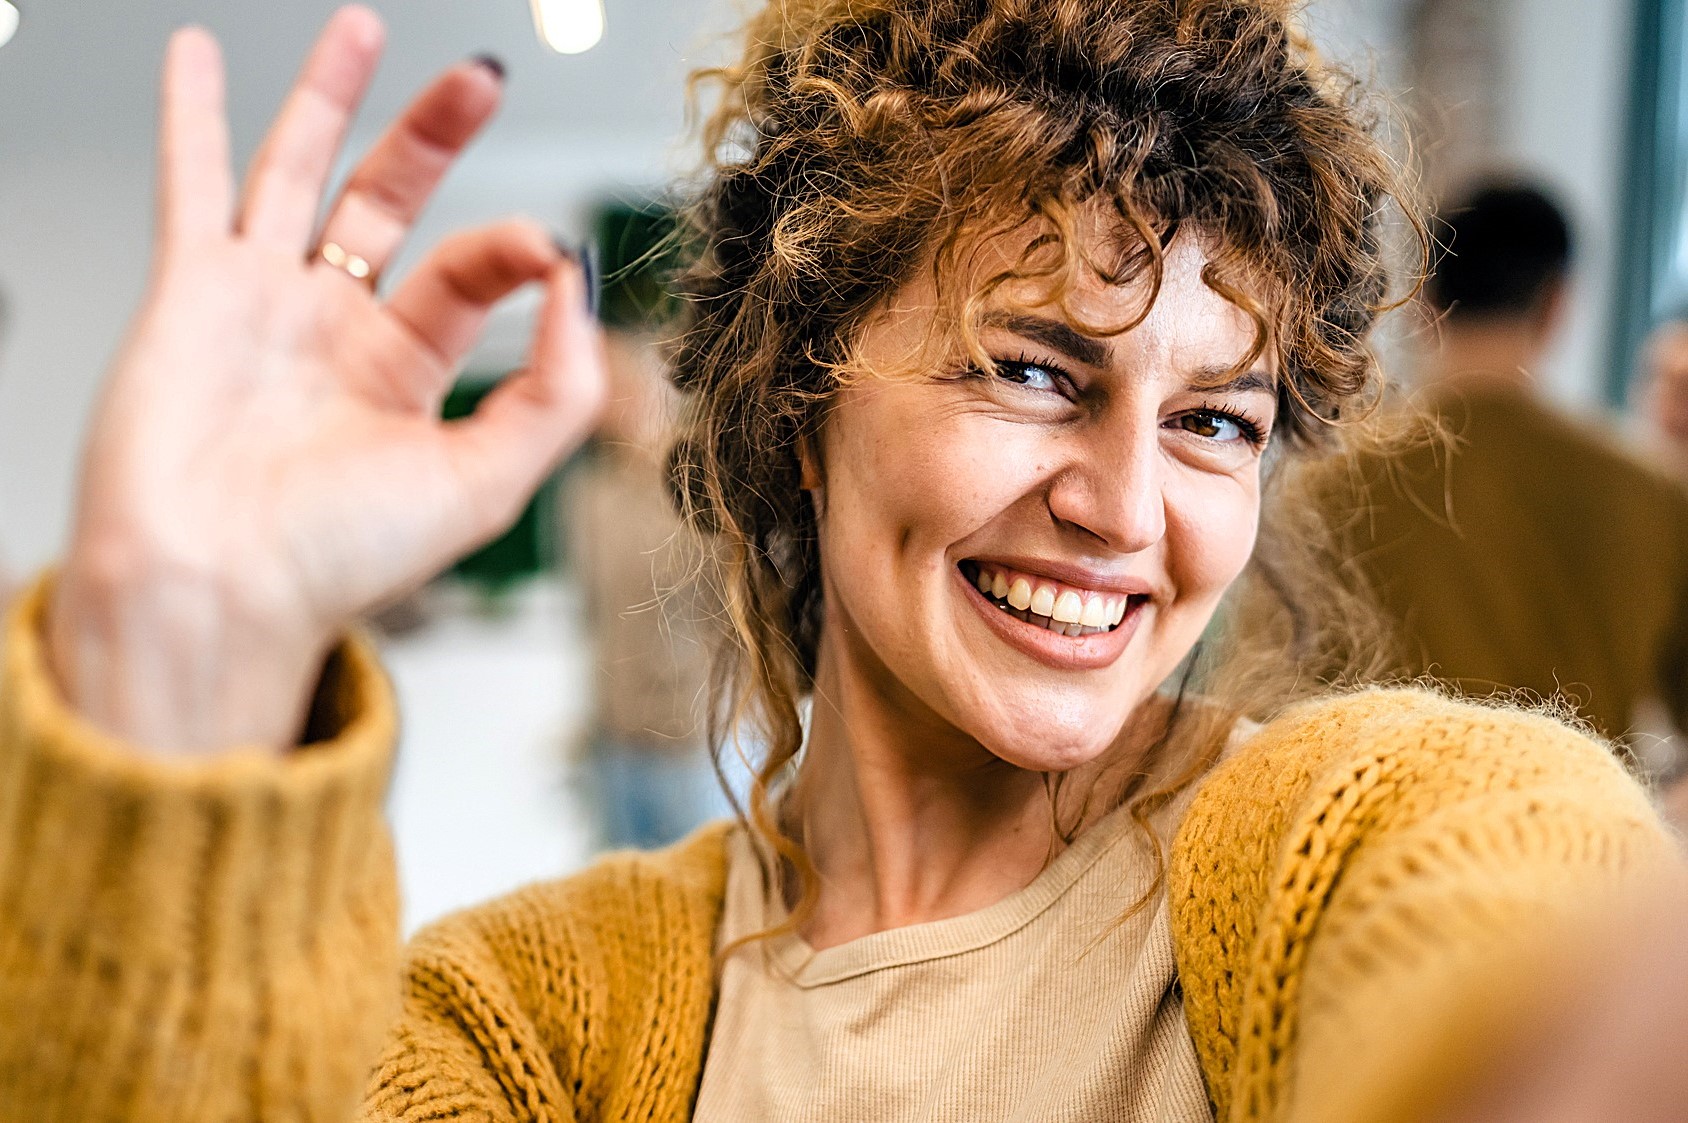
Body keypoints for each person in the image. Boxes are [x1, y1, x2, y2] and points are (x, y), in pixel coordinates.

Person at [0, 4, 1677, 1122]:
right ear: (799, 389)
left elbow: (1505, 921)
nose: (1120, 504)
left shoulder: (1343, 833)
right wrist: (186, 665)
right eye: (1031, 369)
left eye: (1214, 421)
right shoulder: (540, 1018)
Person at [1317, 181, 1688, 748]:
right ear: (1557, 303)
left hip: (1386, 827)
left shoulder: (1332, 483)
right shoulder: (1653, 493)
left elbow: (1275, 699)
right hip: (1587, 830)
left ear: (1424, 301)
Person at [565, 201, 737, 849]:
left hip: (697, 755)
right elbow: (595, 619)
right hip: (616, 749)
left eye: (610, 374)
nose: (602, 394)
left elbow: (742, 617)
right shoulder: (586, 494)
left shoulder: (705, 484)